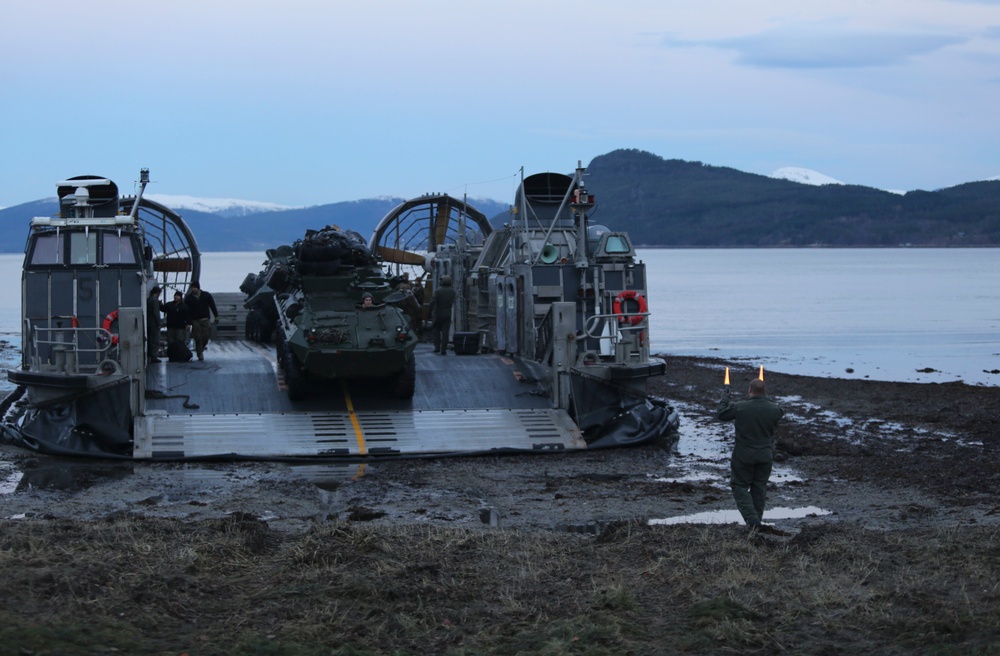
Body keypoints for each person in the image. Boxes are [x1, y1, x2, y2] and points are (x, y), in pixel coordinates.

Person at [717, 378, 785, 532]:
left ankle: (753, 521)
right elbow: (778, 411)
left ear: (749, 391)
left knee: (739, 486)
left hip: (744, 455)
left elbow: (721, 414)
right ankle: (756, 524)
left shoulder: (741, 407)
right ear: (765, 391)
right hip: (765, 455)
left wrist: (724, 398)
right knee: (759, 488)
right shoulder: (775, 409)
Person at [184, 281, 219, 361]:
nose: (193, 289)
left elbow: (212, 305)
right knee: (197, 337)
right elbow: (187, 312)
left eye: (195, 288)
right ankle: (200, 353)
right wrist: (188, 323)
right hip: (195, 320)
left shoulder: (206, 295)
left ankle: (201, 347)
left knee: (206, 336)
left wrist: (216, 316)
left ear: (198, 287)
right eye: (192, 288)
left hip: (205, 319)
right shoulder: (189, 298)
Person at [429, 275, 456, 354]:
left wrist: (429, 309)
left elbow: (432, 302)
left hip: (438, 313)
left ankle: (437, 347)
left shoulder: (438, 291)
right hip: (448, 313)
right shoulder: (452, 292)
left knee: (436, 330)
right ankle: (443, 349)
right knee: (445, 332)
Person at [146, 285, 162, 363]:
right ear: (158, 293)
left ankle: (149, 354)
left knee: (150, 339)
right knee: (155, 340)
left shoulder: (148, 299)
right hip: (154, 324)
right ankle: (154, 356)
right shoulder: (155, 301)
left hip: (148, 323)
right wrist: (159, 323)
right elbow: (156, 313)